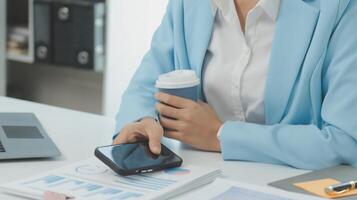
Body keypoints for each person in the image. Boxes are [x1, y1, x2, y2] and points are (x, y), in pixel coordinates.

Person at [113, 0, 357, 170]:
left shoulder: (340, 8)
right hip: (200, 183)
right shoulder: (188, 4)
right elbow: (145, 86)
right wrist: (141, 122)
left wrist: (220, 135)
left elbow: (346, 141)